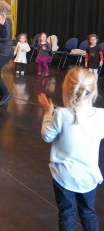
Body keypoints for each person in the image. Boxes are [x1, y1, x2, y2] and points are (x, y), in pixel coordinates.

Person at [38, 67, 104, 230]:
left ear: (67, 89)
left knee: (67, 214)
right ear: (93, 89)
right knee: (88, 213)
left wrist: (48, 113)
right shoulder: (101, 116)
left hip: (64, 176)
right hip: (89, 177)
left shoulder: (61, 114)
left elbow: (47, 136)